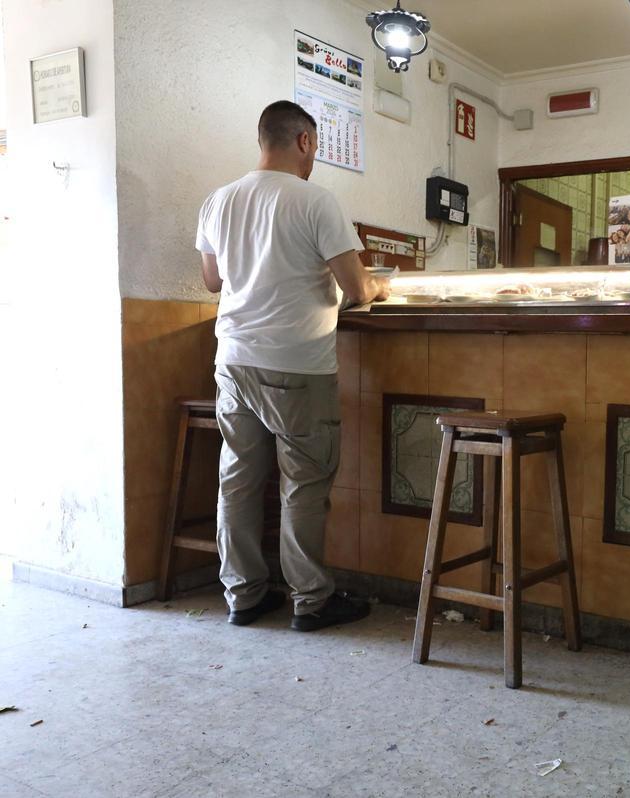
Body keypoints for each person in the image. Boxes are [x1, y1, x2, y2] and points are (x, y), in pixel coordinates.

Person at [195, 100, 389, 632]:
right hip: (297, 364)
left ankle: (243, 596)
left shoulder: (218, 201)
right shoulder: (316, 200)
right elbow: (356, 288)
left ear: (263, 140)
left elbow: (213, 282)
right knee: (303, 482)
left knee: (236, 481)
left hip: (233, 360)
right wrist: (379, 284)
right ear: (304, 141)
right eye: (315, 148)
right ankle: (311, 601)